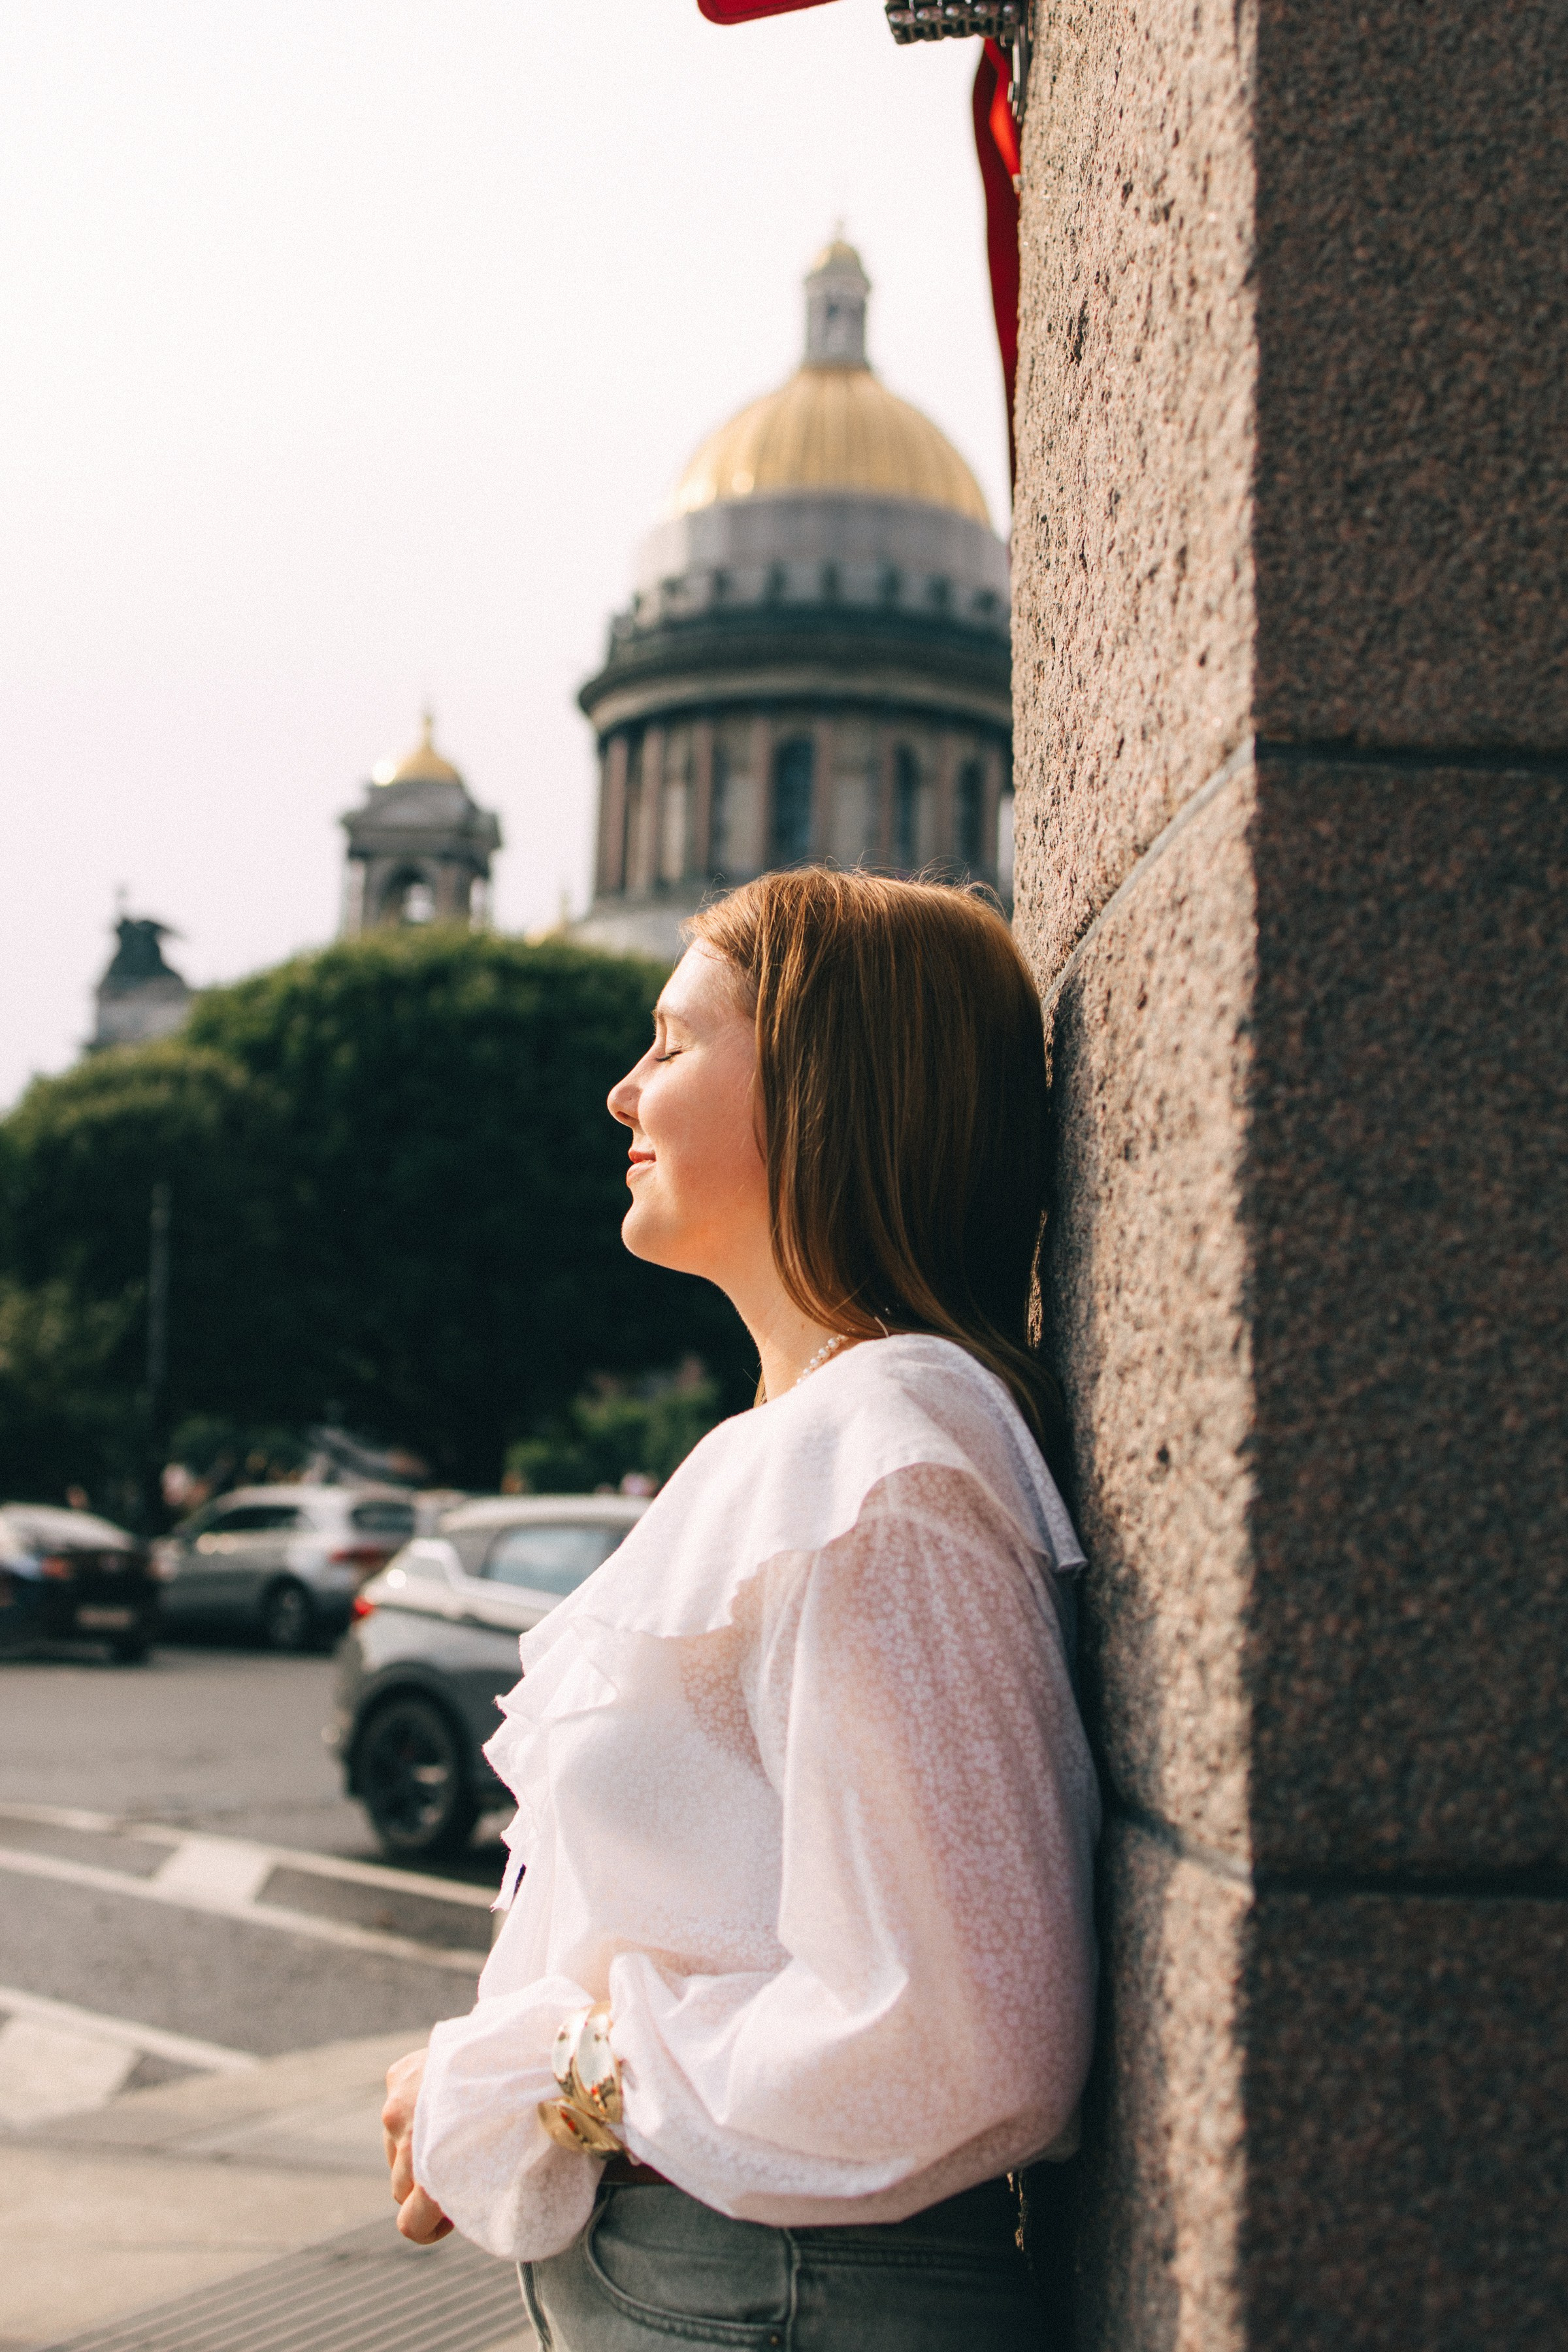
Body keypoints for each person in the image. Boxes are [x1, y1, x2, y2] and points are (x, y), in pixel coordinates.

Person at [382, 869, 1100, 2349]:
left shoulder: (884, 1455)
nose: (620, 1090)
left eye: (672, 1039)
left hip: (781, 2289)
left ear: (827, 1084)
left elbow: (967, 2033)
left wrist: (542, 2080)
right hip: (749, 2284)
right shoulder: (816, 1438)